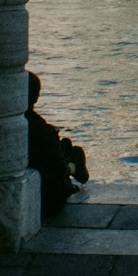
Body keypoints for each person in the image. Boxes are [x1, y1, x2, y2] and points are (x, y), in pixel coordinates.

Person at [25, 71, 89, 216]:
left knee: (62, 149)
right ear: (36, 97)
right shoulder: (42, 130)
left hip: (42, 177)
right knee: (65, 156)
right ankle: (73, 164)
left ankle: (70, 158)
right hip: (49, 196)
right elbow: (58, 170)